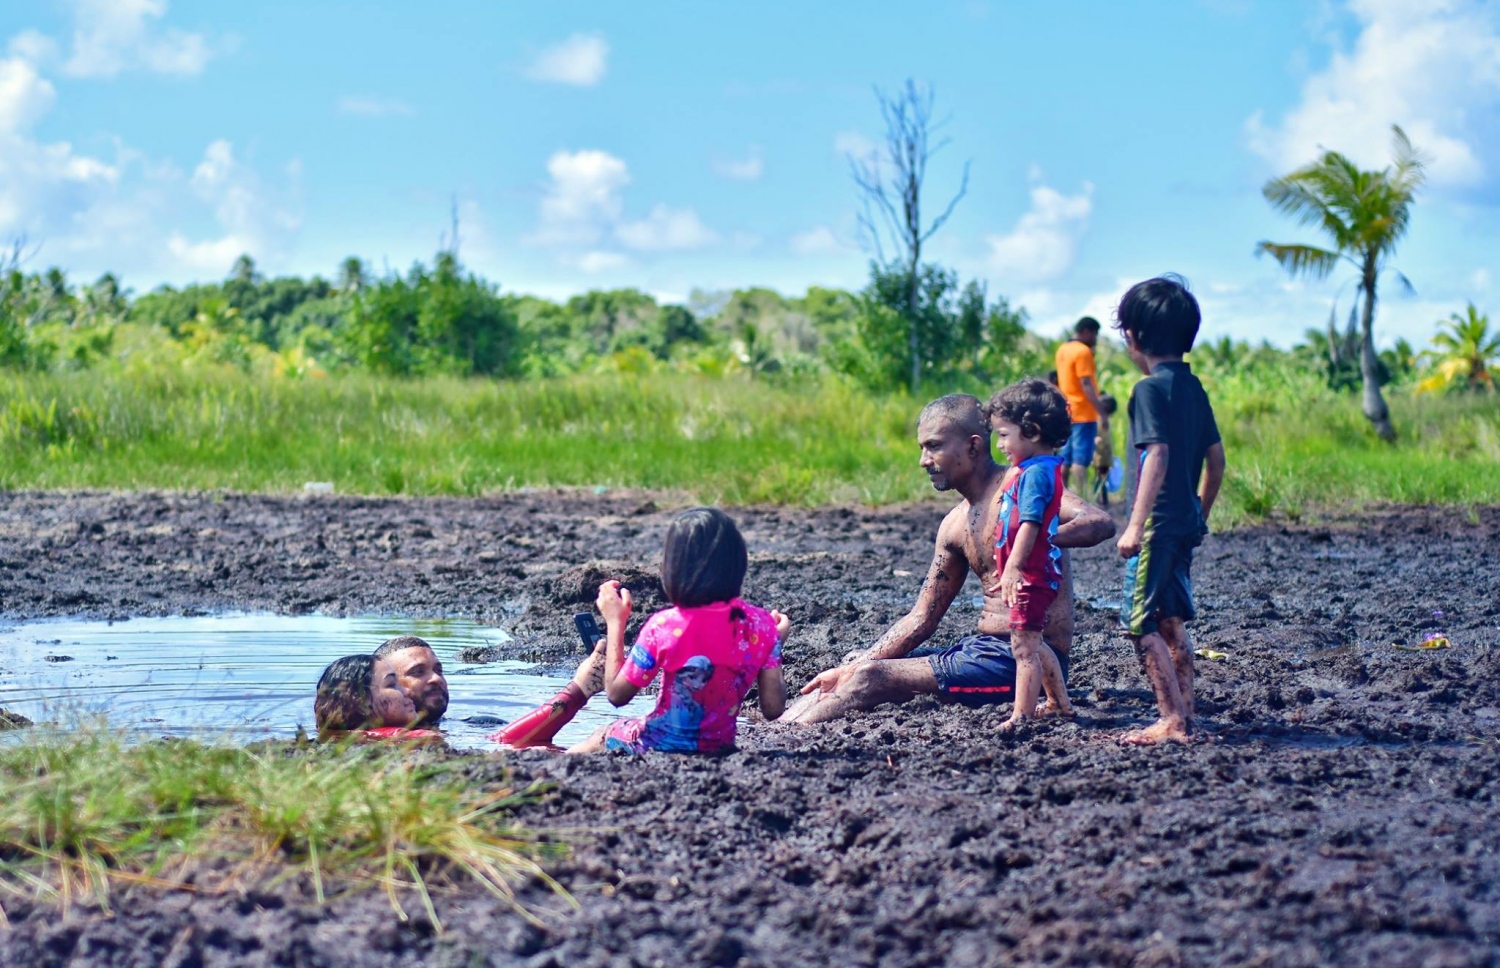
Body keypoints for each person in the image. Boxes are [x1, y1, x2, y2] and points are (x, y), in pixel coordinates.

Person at [784, 394, 1114, 726]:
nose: (924, 461)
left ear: (973, 446)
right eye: (922, 449)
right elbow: (922, 617)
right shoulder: (954, 525)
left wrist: (1039, 540)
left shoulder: (1022, 486)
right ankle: (774, 727)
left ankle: (783, 739)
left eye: (934, 446)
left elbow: (1098, 522)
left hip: (1027, 661)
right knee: (855, 664)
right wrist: (853, 666)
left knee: (870, 676)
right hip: (982, 650)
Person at [494, 507, 790, 754]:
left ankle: (553, 763)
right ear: (738, 565)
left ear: (673, 569)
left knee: (604, 732)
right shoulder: (761, 626)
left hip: (659, 745)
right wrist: (773, 647)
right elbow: (773, 709)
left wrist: (615, 623)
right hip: (721, 748)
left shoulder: (664, 626)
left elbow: (617, 695)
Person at [1113, 275, 1227, 746]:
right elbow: (1217, 462)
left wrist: (1135, 526)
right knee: (1170, 619)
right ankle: (1187, 708)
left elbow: (1155, 455)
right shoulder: (1193, 388)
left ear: (1132, 337)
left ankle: (1171, 720)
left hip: (1157, 527)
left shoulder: (1147, 391)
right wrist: (1200, 514)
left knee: (1139, 623)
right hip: (1184, 525)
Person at [985, 378, 1074, 728]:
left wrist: (1014, 568)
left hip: (1031, 576)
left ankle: (1021, 714)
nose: (1000, 444)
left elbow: (1031, 524)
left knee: (1022, 648)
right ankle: (1058, 703)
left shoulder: (1037, 475)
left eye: (1005, 434)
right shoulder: (1032, 469)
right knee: (1033, 641)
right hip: (1031, 575)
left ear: (1033, 431)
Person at [313, 654, 443, 743]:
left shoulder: (330, 738)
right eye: (392, 684)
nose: (407, 691)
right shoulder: (421, 738)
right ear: (361, 700)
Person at [1055, 316, 1110, 498]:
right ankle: (1081, 498)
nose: (1095, 339)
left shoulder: (1063, 349)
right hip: (1084, 412)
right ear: (1086, 332)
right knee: (1081, 459)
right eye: (1095, 334)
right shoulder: (1083, 351)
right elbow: (1086, 383)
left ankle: (1062, 497)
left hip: (1067, 412)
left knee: (1066, 458)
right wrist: (1101, 412)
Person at [373, 635, 449, 726]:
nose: (437, 678)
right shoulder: (360, 737)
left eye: (439, 671)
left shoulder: (464, 725)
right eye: (418, 671)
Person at [1092, 393, 1118, 507]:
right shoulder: (1102, 420)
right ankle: (1099, 498)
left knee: (1101, 476)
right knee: (1101, 476)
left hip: (1103, 453)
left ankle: (1099, 499)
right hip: (1101, 453)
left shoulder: (1102, 420)